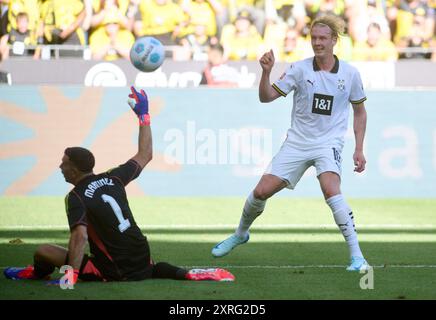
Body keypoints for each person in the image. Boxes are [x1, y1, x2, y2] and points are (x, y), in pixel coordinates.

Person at [4, 87, 235, 284]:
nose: (59, 167)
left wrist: (70, 276)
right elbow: (145, 155)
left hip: (115, 270)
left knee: (42, 251)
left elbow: (80, 238)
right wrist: (143, 115)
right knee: (149, 268)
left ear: (74, 169)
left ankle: (36, 273)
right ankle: (181, 273)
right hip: (142, 258)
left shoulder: (75, 197)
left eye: (63, 163)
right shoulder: (114, 178)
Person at [212, 14, 370, 272]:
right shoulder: (299, 69)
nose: (317, 43)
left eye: (323, 38)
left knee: (331, 190)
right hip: (297, 143)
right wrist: (266, 73)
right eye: (314, 38)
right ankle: (241, 233)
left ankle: (357, 256)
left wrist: (359, 148)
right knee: (261, 192)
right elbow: (266, 97)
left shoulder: (351, 74)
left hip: (328, 143)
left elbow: (360, 111)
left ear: (334, 40)